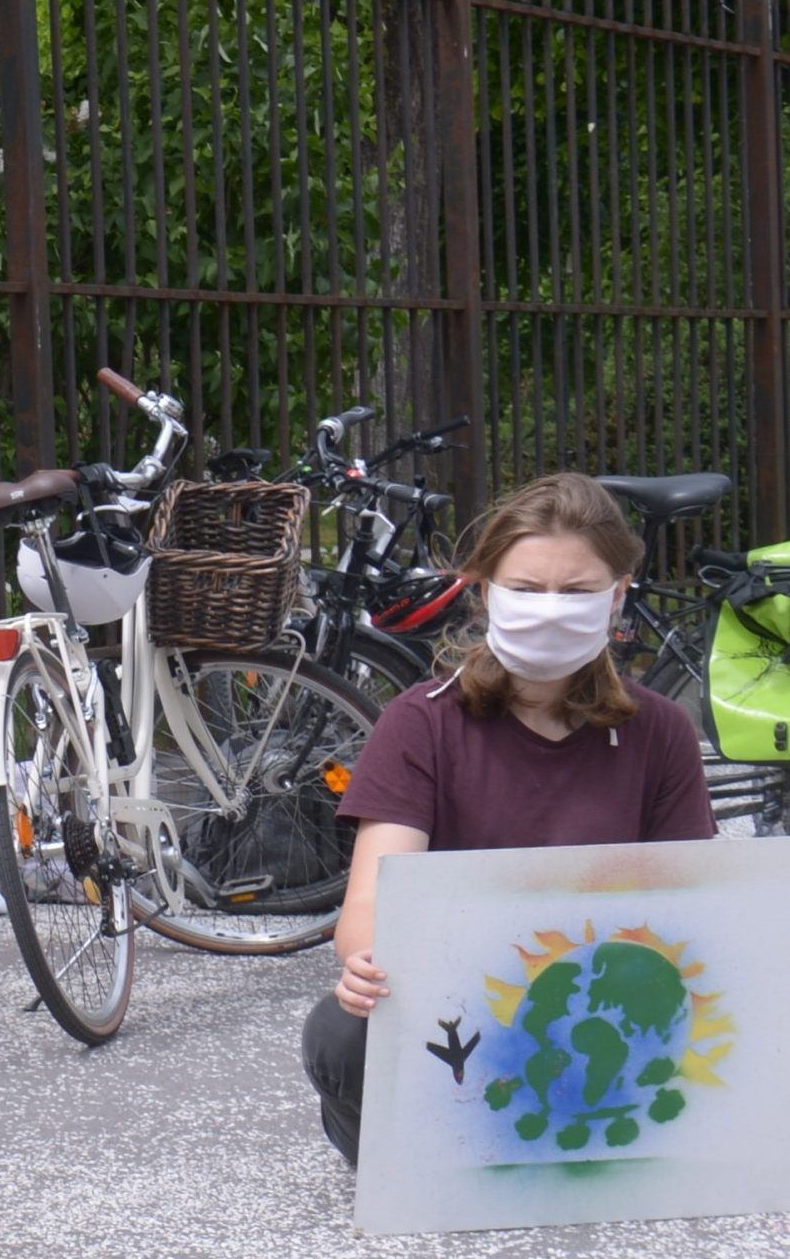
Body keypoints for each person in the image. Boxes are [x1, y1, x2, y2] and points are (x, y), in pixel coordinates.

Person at [306, 471, 715, 1164]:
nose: (549, 609)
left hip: (609, 1010)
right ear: (483, 589)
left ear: (617, 595)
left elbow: (696, 903)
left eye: (577, 591)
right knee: (342, 1034)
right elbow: (372, 897)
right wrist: (365, 965)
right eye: (526, 590)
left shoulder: (662, 731)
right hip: (461, 1012)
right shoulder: (420, 724)